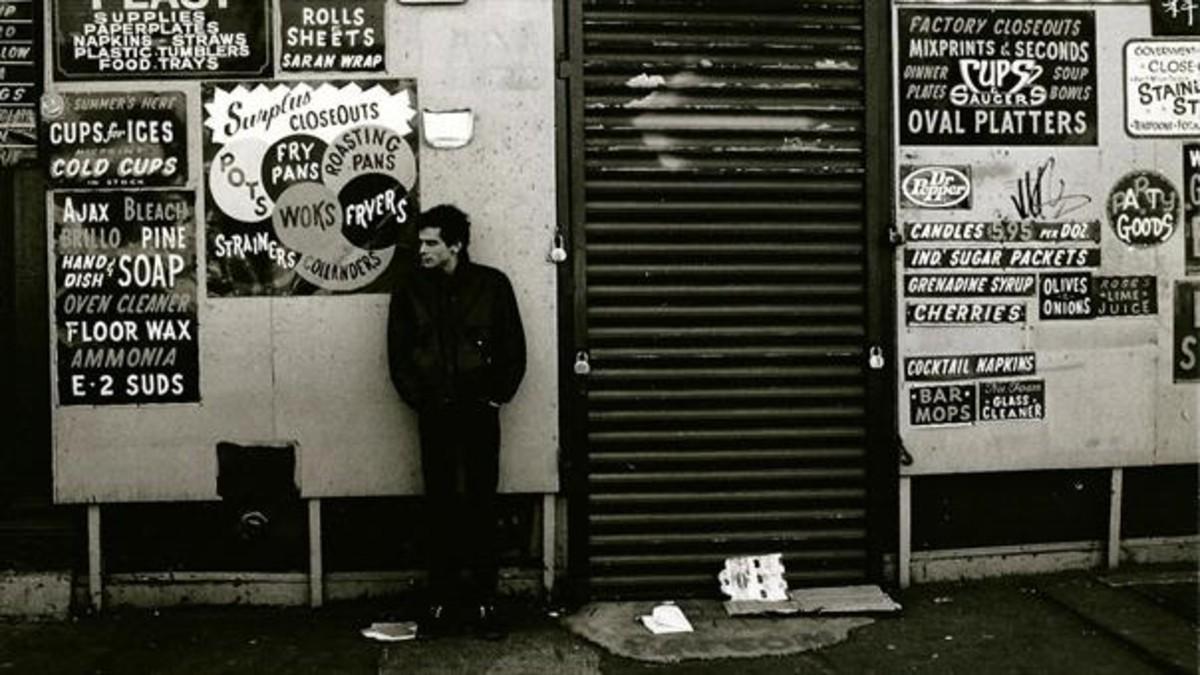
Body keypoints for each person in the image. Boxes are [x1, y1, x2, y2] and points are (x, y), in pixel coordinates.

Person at [387, 204, 526, 640]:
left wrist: (493, 397)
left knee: (483, 505)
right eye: (421, 242)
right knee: (440, 506)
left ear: (456, 245)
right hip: (436, 413)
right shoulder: (410, 289)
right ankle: (443, 602)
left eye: (431, 243)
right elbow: (398, 352)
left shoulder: (492, 285)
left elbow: (513, 348)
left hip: (478, 412)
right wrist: (421, 400)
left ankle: (484, 603)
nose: (422, 250)